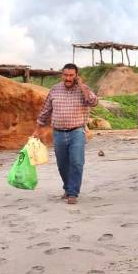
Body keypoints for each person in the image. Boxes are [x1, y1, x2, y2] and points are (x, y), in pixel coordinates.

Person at [33, 63, 98, 204]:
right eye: (65, 75)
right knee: (62, 164)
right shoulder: (55, 90)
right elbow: (45, 111)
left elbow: (93, 102)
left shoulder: (83, 90)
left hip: (77, 132)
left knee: (76, 162)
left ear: (76, 76)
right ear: (62, 75)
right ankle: (68, 188)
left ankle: (73, 193)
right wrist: (37, 129)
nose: (68, 78)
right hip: (58, 133)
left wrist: (82, 86)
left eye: (71, 75)